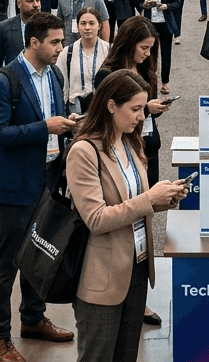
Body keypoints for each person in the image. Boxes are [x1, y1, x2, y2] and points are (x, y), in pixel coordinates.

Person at [66, 70, 188, 362]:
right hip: (102, 275)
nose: (141, 117)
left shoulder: (129, 141)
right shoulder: (83, 151)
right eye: (135, 109)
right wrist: (149, 199)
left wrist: (164, 200)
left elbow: (131, 203)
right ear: (110, 106)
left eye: (143, 109)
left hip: (137, 267)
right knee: (98, 356)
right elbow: (96, 219)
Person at [0, 12, 76, 362]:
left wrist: (66, 127)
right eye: (54, 41)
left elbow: (52, 121)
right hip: (14, 187)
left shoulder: (54, 74)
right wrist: (45, 127)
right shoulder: (4, 81)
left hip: (48, 180)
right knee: (5, 264)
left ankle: (33, 319)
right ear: (34, 42)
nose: (60, 46)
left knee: (40, 256)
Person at [96, 18, 172, 188]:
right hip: (122, 147)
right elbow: (106, 115)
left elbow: (151, 110)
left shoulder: (145, 69)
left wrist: (156, 107)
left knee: (151, 194)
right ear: (129, 43)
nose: (147, 53)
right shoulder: (108, 74)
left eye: (150, 49)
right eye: (144, 48)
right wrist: (146, 109)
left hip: (149, 143)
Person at [137, 0, 180, 93]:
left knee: (166, 54)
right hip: (150, 24)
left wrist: (166, 6)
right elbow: (138, 3)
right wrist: (144, 5)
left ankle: (165, 83)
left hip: (165, 23)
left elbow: (177, 2)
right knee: (149, 54)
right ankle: (150, 80)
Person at [60, 6, 111, 113]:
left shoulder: (109, 51)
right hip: (76, 110)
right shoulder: (67, 52)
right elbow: (63, 86)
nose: (87, 27)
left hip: (103, 108)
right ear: (77, 26)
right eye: (83, 23)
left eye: (92, 23)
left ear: (99, 26)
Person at [0, 0, 43, 76]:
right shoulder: (4, 27)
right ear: (19, 4)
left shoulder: (48, 26)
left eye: (37, 0)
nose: (36, 5)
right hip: (14, 80)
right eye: (30, 1)